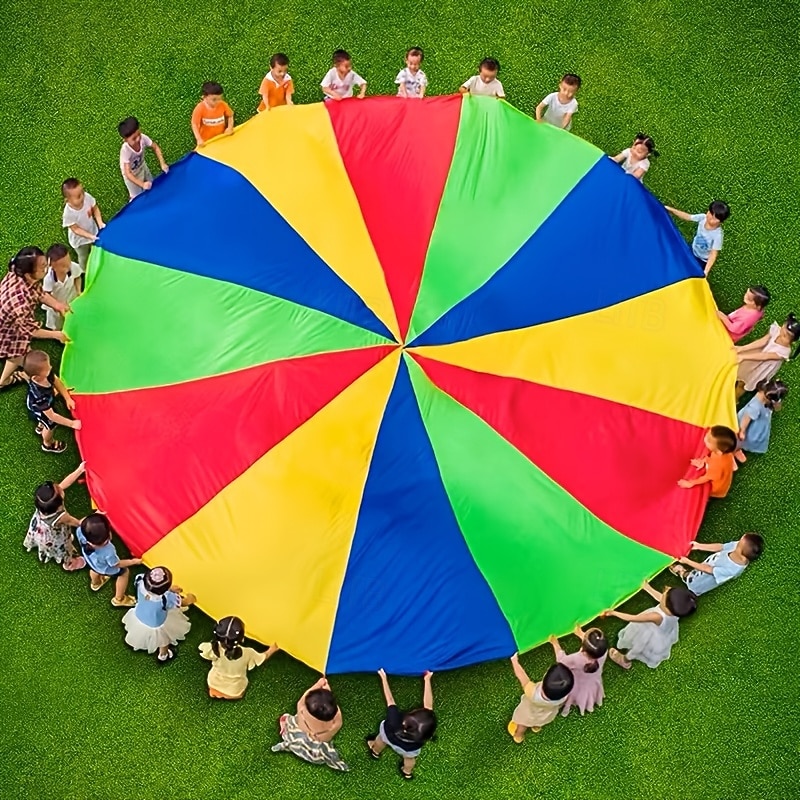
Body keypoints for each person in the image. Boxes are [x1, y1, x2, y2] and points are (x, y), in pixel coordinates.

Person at [0, 247, 70, 390]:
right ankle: (3, 381)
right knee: (20, 354)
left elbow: (39, 293)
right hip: (8, 330)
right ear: (28, 274)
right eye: (43, 267)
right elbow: (31, 331)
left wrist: (57, 305)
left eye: (45, 263)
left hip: (12, 321)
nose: (47, 268)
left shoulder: (18, 272)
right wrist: (56, 335)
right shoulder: (19, 304)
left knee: (20, 352)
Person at [606, 580, 697, 669]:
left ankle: (624, 660)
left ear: (665, 605)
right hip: (663, 632)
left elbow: (633, 618)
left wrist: (613, 613)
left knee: (637, 648)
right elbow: (660, 598)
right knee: (640, 646)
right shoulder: (676, 611)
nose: (663, 593)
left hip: (649, 634)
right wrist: (647, 588)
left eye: (665, 594)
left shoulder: (656, 617)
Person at [366, 669, 435, 780]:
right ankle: (407, 772)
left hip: (388, 736)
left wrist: (384, 678)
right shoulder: (422, 734)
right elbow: (428, 707)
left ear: (405, 721)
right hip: (409, 749)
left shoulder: (394, 720)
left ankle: (375, 751)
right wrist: (427, 680)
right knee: (409, 759)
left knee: (380, 741)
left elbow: (390, 700)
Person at [271, 677, 348, 771]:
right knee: (327, 753)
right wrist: (329, 695)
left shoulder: (302, 710)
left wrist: (318, 683)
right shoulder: (330, 727)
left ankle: (284, 745)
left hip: (296, 734)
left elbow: (304, 698)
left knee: (289, 733)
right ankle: (339, 765)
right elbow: (338, 720)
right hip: (314, 747)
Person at [122, 566, 195, 664]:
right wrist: (191, 598)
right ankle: (163, 655)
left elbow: (153, 589)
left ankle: (163, 655)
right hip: (157, 625)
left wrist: (168, 589)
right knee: (163, 641)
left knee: (160, 638)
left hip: (139, 615)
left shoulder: (140, 580)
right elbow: (183, 602)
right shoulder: (167, 597)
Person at [23, 461, 86, 570]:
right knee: (65, 549)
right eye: (59, 490)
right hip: (54, 539)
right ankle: (69, 563)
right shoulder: (62, 517)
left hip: (41, 530)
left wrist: (79, 470)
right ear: (59, 505)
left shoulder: (44, 504)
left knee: (59, 541)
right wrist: (98, 514)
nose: (59, 486)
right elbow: (80, 523)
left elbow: (63, 485)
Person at [198, 616, 278, 700]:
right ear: (242, 638)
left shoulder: (211, 648)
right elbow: (262, 657)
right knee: (239, 694)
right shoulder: (248, 653)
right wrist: (272, 649)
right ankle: (228, 695)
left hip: (213, 682)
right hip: (233, 689)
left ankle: (214, 692)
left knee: (215, 684)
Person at [75, 513, 141, 607]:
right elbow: (116, 564)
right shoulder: (108, 550)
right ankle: (119, 599)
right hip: (106, 568)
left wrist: (96, 514)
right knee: (124, 572)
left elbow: (83, 523)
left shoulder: (80, 531)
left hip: (91, 562)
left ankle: (96, 583)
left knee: (94, 570)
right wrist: (133, 562)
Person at [23, 350, 80, 454]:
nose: (50, 368)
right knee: (50, 425)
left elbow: (56, 381)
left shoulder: (46, 375)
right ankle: (48, 444)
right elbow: (52, 416)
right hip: (40, 409)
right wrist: (72, 423)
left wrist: (67, 398)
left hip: (48, 401)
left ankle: (40, 424)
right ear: (36, 377)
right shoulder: (39, 396)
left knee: (46, 420)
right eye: (47, 369)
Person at [507, 654, 573, 743]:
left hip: (528, 714)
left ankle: (518, 736)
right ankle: (536, 727)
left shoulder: (533, 692)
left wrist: (514, 661)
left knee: (522, 725)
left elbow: (521, 676)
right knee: (539, 721)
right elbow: (561, 705)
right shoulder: (564, 697)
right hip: (546, 715)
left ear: (545, 676)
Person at [670, 533, 764, 595]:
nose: (737, 543)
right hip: (708, 565)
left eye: (739, 543)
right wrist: (699, 546)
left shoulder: (731, 569)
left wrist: (687, 561)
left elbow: (707, 569)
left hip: (701, 580)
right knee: (697, 572)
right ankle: (686, 574)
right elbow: (721, 547)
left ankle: (683, 574)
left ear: (742, 556)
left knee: (692, 581)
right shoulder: (739, 547)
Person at [735, 313, 800, 397]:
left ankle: (735, 398)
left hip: (762, 366)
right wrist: (742, 348)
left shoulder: (783, 352)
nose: (781, 335)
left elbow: (765, 356)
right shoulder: (776, 331)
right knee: (742, 372)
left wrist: (744, 356)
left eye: (785, 337)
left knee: (745, 382)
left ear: (793, 342)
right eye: (782, 331)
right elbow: (762, 341)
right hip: (757, 355)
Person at [548, 626, 608, 716]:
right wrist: (581, 634)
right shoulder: (603, 651)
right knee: (586, 693)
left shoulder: (577, 659)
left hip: (577, 684)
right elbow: (593, 646)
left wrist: (555, 644)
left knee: (574, 694)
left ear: (584, 647)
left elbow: (561, 660)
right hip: (593, 682)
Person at [665, 200, 729, 276]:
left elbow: (713, 254)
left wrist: (706, 271)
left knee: (689, 274)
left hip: (701, 260)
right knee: (680, 262)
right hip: (692, 249)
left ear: (721, 222)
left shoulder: (717, 235)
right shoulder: (703, 218)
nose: (709, 217)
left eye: (714, 218)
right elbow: (688, 217)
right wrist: (670, 209)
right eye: (710, 213)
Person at [733, 378, 787, 461]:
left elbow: (747, 417)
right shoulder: (758, 405)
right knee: (741, 439)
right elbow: (747, 417)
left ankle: (736, 449)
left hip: (755, 422)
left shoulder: (762, 399)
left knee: (739, 439)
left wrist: (742, 430)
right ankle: (735, 450)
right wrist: (743, 430)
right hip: (754, 424)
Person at [677, 425, 737, 498]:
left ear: (718, 451)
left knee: (702, 492)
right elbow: (713, 458)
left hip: (717, 486)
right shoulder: (724, 453)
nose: (705, 438)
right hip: (719, 470)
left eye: (708, 440)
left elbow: (707, 477)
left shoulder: (717, 466)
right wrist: (704, 460)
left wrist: (691, 483)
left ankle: (715, 495)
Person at [118, 116, 169, 201]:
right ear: (125, 140)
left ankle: (155, 201)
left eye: (138, 134)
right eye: (134, 139)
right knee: (137, 197)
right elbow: (128, 173)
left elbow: (155, 147)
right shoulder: (125, 151)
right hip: (132, 175)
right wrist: (142, 184)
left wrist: (162, 163)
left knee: (151, 184)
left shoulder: (143, 138)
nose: (138, 139)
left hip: (142, 166)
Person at [61, 178, 104, 276]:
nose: (83, 196)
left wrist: (100, 222)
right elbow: (75, 229)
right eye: (78, 196)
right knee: (83, 256)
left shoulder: (87, 198)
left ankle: (97, 263)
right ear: (68, 200)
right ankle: (84, 271)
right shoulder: (68, 214)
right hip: (80, 241)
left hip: (92, 231)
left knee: (95, 249)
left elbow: (95, 209)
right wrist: (89, 236)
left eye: (82, 192)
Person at [41, 244, 82, 331]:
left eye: (69, 263)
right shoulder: (49, 279)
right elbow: (46, 294)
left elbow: (77, 277)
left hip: (71, 297)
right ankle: (57, 332)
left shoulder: (73, 267)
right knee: (58, 321)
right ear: (52, 267)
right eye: (63, 266)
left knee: (71, 313)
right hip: (57, 303)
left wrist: (78, 291)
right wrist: (56, 304)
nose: (68, 267)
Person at [191, 81, 234, 146]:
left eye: (220, 99)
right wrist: (199, 139)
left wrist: (230, 127)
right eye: (214, 99)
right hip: (207, 142)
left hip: (221, 138)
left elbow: (230, 116)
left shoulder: (223, 104)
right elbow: (195, 124)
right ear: (204, 97)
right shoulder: (199, 108)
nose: (218, 102)